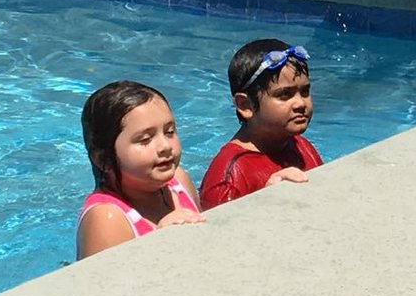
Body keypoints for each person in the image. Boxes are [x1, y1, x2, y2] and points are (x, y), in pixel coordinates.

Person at [76, 80, 204, 261]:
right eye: (145, 139)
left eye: (169, 132)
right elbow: (106, 279)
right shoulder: (107, 219)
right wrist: (158, 243)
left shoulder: (179, 182)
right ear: (103, 160)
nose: (165, 146)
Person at [199, 39, 323, 209]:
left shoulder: (301, 146)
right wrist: (263, 203)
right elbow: (219, 225)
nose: (301, 104)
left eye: (305, 91)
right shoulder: (229, 178)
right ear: (245, 105)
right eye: (284, 95)